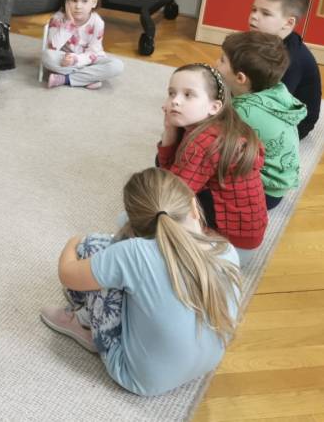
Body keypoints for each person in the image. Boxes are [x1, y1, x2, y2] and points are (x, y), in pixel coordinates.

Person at [41, 167, 241, 396]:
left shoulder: (133, 253)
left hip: (138, 377)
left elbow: (67, 274)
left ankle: (83, 322)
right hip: (208, 363)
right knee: (122, 267)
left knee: (93, 246)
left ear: (134, 227)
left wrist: (74, 241)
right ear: (194, 206)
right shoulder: (225, 250)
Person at [157, 63, 267, 263]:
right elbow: (168, 171)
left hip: (228, 248)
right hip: (244, 241)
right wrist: (170, 128)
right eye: (172, 93)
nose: (175, 101)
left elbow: (171, 194)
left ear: (214, 107)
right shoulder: (210, 126)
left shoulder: (205, 141)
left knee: (138, 221)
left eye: (188, 95)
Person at [216, 31, 305, 209]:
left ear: (240, 78)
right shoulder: (276, 89)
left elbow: (218, 145)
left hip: (263, 192)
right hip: (277, 186)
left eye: (222, 60)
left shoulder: (243, 112)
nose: (216, 63)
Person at [249, 0, 320, 139]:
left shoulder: (292, 59)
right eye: (254, 9)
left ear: (288, 23)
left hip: (293, 124)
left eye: (265, 13)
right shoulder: (266, 39)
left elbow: (277, 102)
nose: (254, 16)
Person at [42, 0, 123, 89]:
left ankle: (65, 79)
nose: (78, 6)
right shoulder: (58, 18)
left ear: (94, 2)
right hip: (65, 59)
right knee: (47, 56)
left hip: (88, 59)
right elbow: (52, 47)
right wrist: (69, 24)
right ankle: (88, 77)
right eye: (74, 0)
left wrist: (76, 60)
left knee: (117, 65)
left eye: (84, 1)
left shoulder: (97, 22)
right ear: (66, 1)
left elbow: (93, 52)